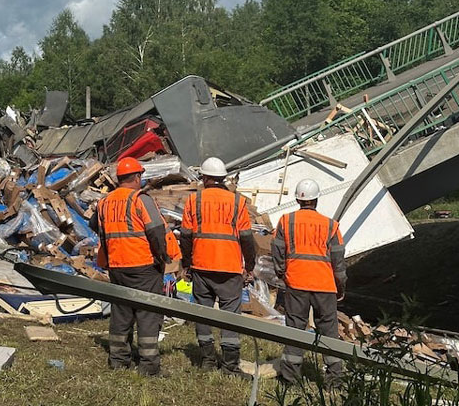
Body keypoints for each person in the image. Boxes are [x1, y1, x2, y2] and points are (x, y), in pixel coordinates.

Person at [89, 157, 169, 375]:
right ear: (136, 177)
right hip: (143, 265)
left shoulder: (105, 201)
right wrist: (162, 256)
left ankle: (118, 359)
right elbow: (156, 231)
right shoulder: (140, 199)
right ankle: (149, 365)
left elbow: (94, 224)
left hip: (116, 265)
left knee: (121, 312)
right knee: (148, 314)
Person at [180, 156, 256, 376]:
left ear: (204, 177)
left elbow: (185, 236)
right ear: (222, 178)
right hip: (230, 268)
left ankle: (207, 360)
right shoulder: (237, 202)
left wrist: (187, 263)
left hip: (201, 266)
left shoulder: (194, 201)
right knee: (230, 316)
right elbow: (247, 238)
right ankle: (230, 365)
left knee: (203, 314)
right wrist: (249, 266)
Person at [272, 179, 347, 385]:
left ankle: (290, 379)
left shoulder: (286, 221)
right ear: (316, 199)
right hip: (324, 285)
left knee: (295, 329)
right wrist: (340, 285)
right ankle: (334, 380)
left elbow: (277, 251)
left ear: (297, 198)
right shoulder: (331, 225)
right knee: (329, 331)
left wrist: (282, 273)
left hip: (296, 282)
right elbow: (338, 260)